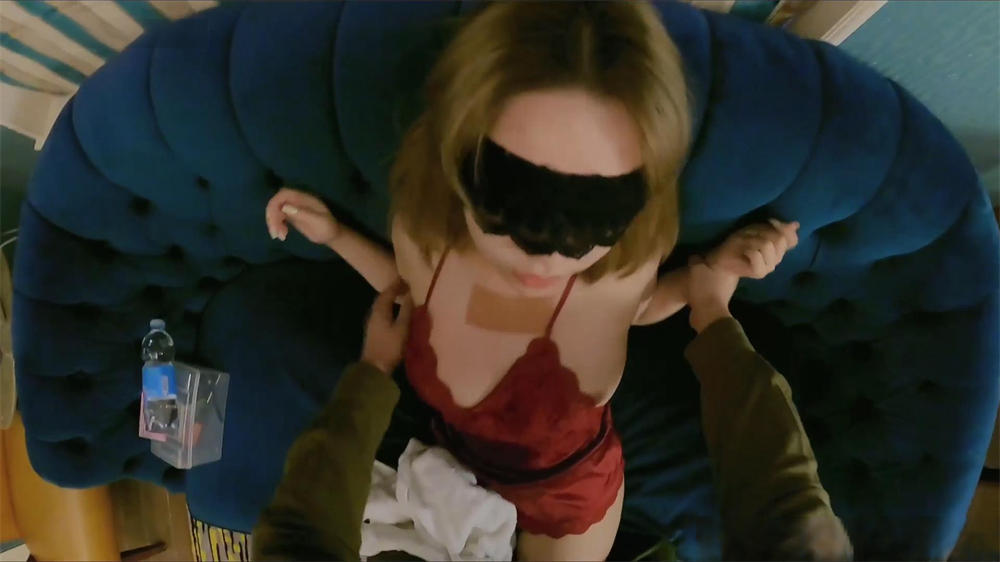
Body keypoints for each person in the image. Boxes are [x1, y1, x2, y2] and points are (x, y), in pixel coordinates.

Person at [264, 3, 800, 558]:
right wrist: (336, 235)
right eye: (511, 201)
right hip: (453, 465)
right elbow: (409, 289)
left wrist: (712, 276)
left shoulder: (618, 278)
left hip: (566, 500)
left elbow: (637, 309)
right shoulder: (426, 240)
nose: (544, 256)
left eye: (593, 216)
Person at [253, 260, 853, 561]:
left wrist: (373, 368)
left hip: (550, 481)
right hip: (565, 484)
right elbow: (788, 515)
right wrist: (711, 310)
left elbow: (301, 529)